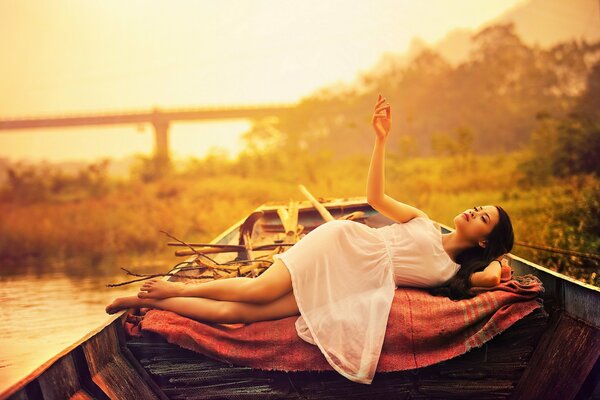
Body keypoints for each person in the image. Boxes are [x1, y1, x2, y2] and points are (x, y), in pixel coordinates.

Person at [105, 93, 514, 384]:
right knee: (256, 290)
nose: (473, 211)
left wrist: (500, 261)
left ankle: (148, 302)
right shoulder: (423, 222)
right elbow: (374, 199)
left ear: (484, 242)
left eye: (483, 218)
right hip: (340, 246)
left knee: (241, 316)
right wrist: (381, 139)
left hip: (350, 284)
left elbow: (494, 279)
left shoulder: (451, 273)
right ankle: (173, 287)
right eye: (478, 206)